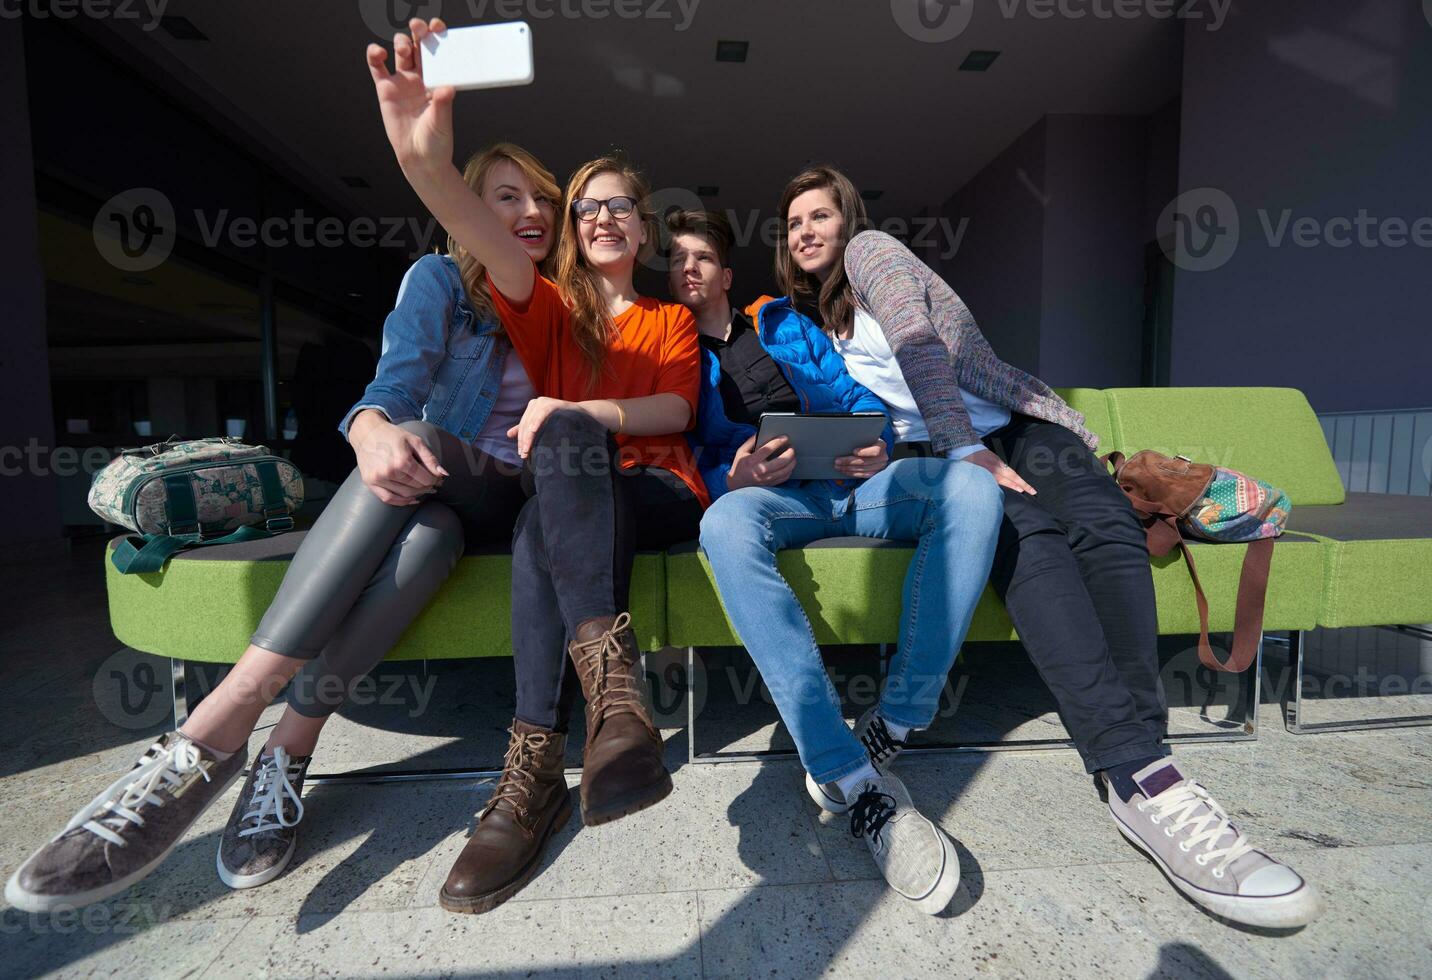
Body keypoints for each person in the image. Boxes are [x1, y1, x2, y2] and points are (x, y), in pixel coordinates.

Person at [4, 142, 562, 912]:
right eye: (507, 197)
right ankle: (282, 753)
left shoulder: (562, 304)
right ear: (467, 211)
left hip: (510, 495)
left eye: (543, 201)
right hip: (433, 497)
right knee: (425, 532)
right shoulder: (439, 282)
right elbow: (397, 380)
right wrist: (368, 426)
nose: (531, 213)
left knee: (422, 444)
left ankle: (214, 726)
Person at [775, 164, 1322, 929]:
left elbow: (919, 342)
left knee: (1102, 526)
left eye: (818, 215)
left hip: (1004, 427)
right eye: (793, 222)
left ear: (847, 219)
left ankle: (1142, 767)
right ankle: (1140, 775)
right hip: (938, 458)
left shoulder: (871, 253)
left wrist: (966, 445)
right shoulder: (809, 325)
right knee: (1029, 545)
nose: (805, 230)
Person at [367, 18, 707, 914]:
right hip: (564, 498)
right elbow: (476, 230)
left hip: (658, 489)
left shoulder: (670, 318)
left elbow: (674, 411)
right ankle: (561, 747)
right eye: (584, 205)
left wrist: (574, 408)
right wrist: (427, 168)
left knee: (563, 438)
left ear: (641, 226)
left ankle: (558, 746)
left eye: (617, 205)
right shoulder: (547, 304)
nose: (599, 216)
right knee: (537, 513)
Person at [674, 208, 1004, 915]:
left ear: (727, 275)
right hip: (770, 499)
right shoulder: (671, 350)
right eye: (675, 261)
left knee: (972, 487)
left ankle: (899, 717)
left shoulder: (786, 322)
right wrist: (732, 477)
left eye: (701, 257)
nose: (687, 269)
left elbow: (860, 399)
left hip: (852, 486)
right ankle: (845, 771)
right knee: (723, 525)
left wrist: (876, 443)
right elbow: (681, 453)